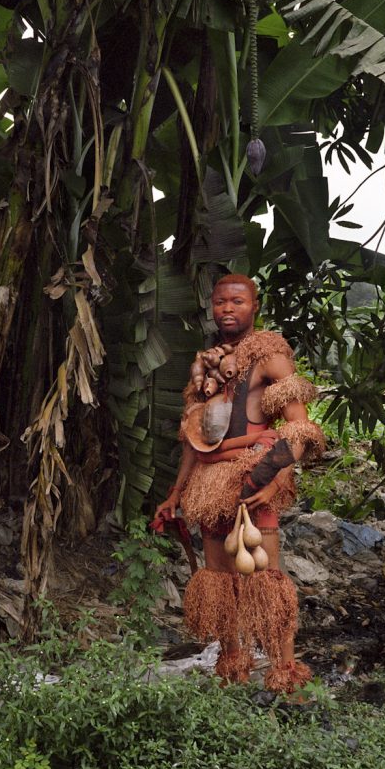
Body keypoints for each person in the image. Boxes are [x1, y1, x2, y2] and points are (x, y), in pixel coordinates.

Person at [153, 274, 325, 692]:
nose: (227, 309)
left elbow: (299, 428)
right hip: (209, 485)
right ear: (211, 306)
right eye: (220, 302)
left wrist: (277, 475)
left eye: (237, 301)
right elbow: (195, 438)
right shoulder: (206, 363)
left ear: (255, 306)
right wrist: (176, 492)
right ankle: (234, 669)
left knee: (266, 582)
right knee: (220, 581)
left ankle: (284, 674)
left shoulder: (269, 355)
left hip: (250, 481)